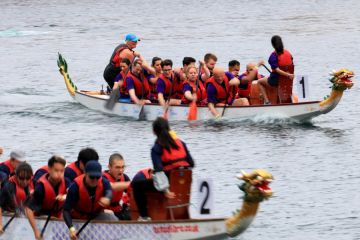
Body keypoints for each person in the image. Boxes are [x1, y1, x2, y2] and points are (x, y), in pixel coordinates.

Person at [132, 117, 194, 221]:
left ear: (154, 132)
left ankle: (144, 217)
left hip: (168, 185)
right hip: (183, 185)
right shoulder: (181, 143)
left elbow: (159, 171)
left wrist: (165, 189)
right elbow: (191, 164)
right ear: (169, 128)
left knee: (137, 185)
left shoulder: (156, 148)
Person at [63, 160, 115, 240]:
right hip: (77, 218)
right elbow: (66, 210)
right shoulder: (75, 187)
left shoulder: (104, 182)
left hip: (94, 215)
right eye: (92, 177)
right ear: (85, 174)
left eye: (97, 177)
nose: (95, 180)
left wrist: (107, 198)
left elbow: (109, 191)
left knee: (112, 217)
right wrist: (71, 229)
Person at [25, 155, 70, 239]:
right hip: (42, 216)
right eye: (56, 170)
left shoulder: (66, 181)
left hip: (58, 215)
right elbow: (28, 209)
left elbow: (73, 193)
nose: (59, 174)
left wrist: (65, 196)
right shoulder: (41, 187)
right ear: (49, 169)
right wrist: (36, 231)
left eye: (62, 171)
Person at [257, 35, 294, 104]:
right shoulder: (288, 53)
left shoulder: (273, 56)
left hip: (276, 80)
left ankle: (267, 101)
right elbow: (291, 66)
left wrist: (288, 75)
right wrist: (288, 75)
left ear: (273, 45)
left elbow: (277, 70)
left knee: (259, 82)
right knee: (267, 77)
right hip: (287, 80)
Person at [0, 163, 33, 234]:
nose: (25, 181)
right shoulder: (9, 186)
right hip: (6, 212)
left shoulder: (29, 185)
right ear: (16, 175)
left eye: (27, 178)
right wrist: (0, 224)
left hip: (18, 212)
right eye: (21, 178)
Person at [102, 153, 131, 220]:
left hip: (118, 209)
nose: (121, 171)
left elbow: (132, 194)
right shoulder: (102, 178)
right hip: (104, 211)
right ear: (109, 167)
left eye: (123, 167)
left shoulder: (125, 177)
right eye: (117, 167)